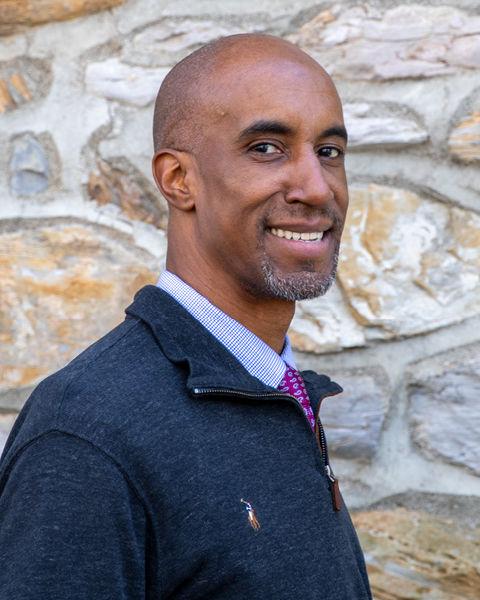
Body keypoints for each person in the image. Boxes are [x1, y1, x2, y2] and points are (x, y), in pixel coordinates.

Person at [0, 34, 372, 599]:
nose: (316, 187)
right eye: (267, 148)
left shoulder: (273, 387)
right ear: (179, 180)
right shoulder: (85, 435)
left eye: (329, 151)